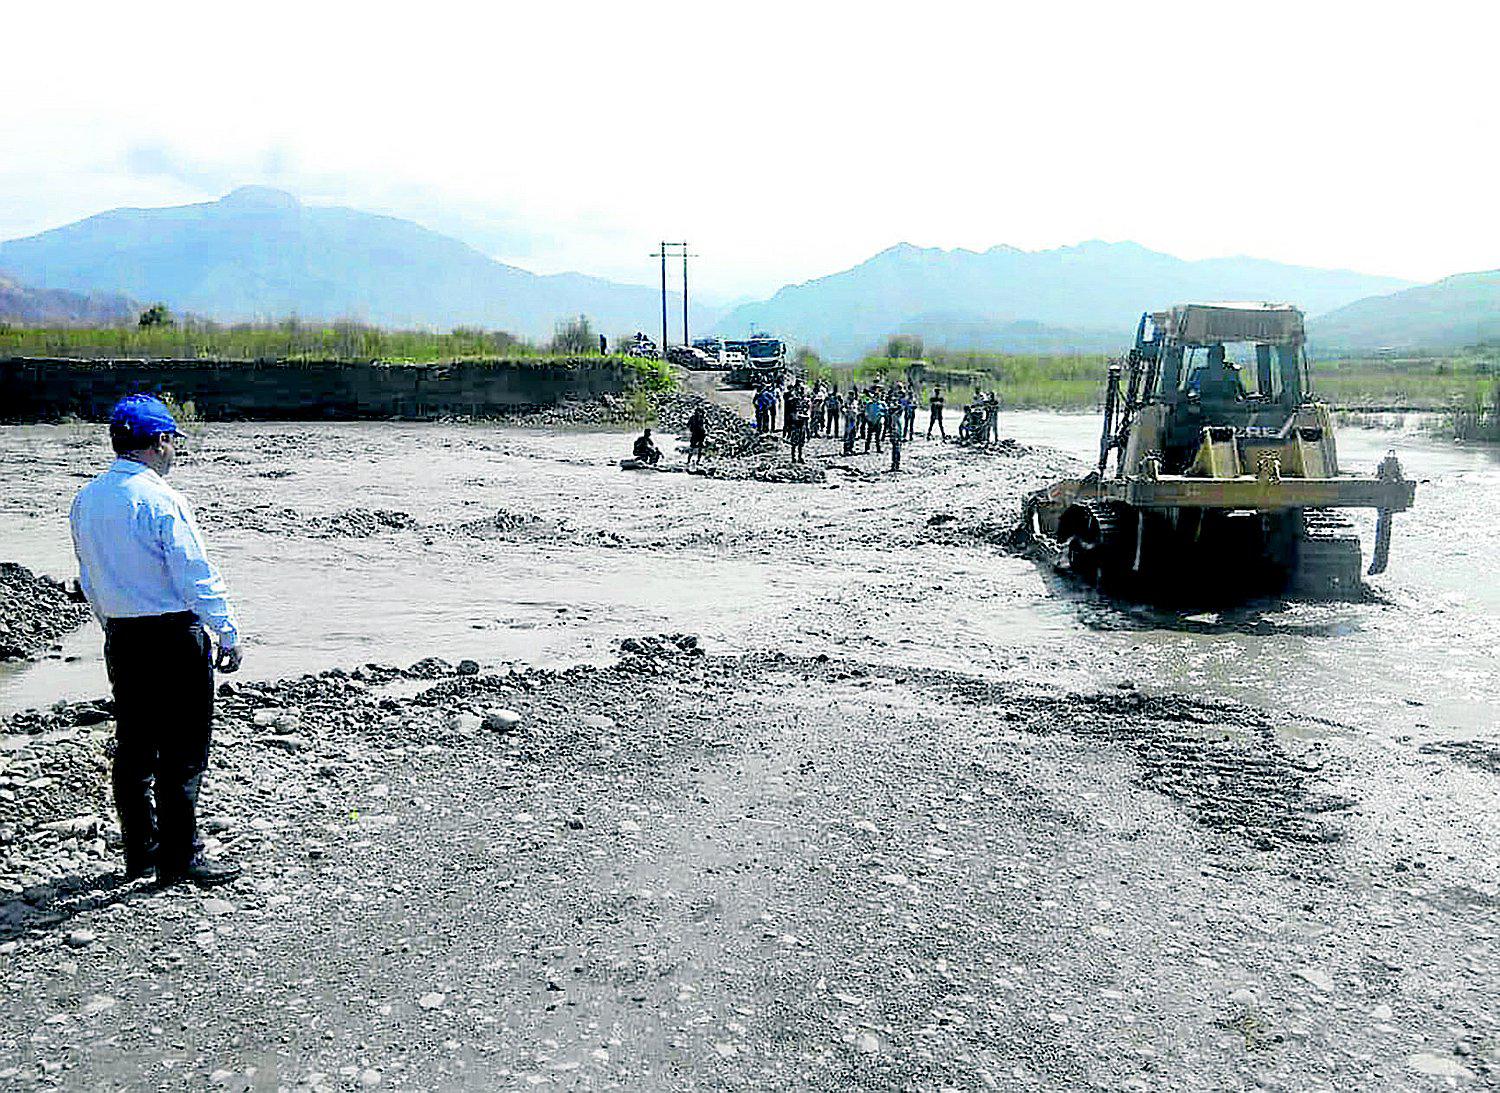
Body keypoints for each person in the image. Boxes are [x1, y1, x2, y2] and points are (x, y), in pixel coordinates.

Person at [69, 394, 243, 889]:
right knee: (183, 749)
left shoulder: (87, 499)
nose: (175, 454)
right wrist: (226, 631)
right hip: (172, 635)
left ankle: (140, 852)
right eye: (173, 443)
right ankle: (179, 857)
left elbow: (89, 576)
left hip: (123, 636)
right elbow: (194, 575)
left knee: (135, 748)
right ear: (161, 441)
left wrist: (110, 625)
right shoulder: (162, 499)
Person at [886, 394, 904, 471]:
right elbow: (891, 409)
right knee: (895, 448)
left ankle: (897, 464)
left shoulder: (897, 410)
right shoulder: (891, 411)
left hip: (899, 431)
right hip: (894, 430)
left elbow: (900, 407)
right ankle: (894, 464)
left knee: (897, 448)